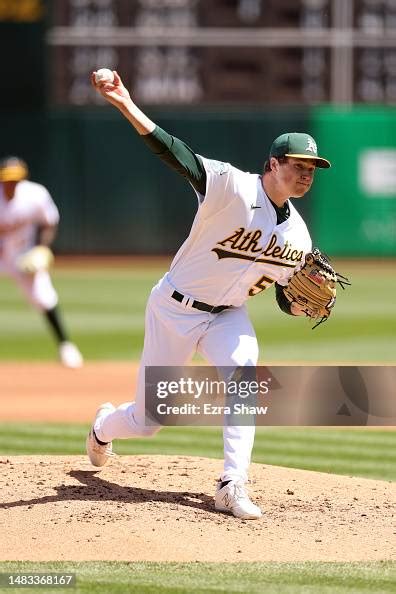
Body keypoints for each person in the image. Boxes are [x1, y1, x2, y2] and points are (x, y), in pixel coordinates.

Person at [86, 70, 331, 519]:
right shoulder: (231, 185)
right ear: (272, 164)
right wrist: (125, 103)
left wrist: (294, 303)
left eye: (312, 168)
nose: (305, 173)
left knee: (245, 380)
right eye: (297, 164)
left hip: (227, 316)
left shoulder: (298, 234)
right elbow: (175, 153)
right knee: (149, 420)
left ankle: (232, 483)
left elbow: (281, 289)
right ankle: (103, 427)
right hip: (173, 308)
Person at [0, 156, 83, 369]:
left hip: (23, 255)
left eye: (15, 179)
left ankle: (66, 346)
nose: (11, 183)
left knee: (43, 297)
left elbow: (48, 223)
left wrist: (42, 248)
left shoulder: (35, 194)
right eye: (7, 179)